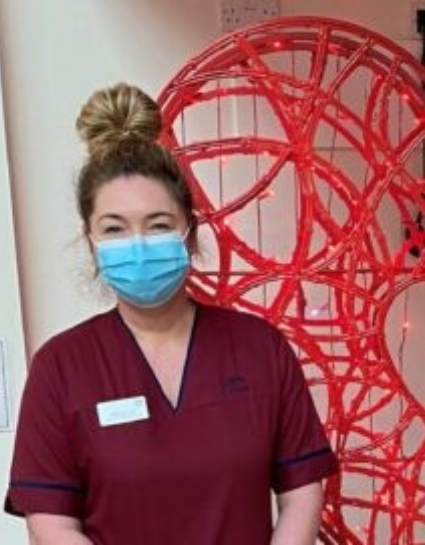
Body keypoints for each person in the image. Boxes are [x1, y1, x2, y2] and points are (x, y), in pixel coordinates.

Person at [4, 83, 339, 544]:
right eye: (114, 228)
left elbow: (302, 492)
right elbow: (51, 520)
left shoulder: (259, 347)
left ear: (188, 231)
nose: (137, 244)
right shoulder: (61, 367)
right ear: (91, 240)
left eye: (158, 225)